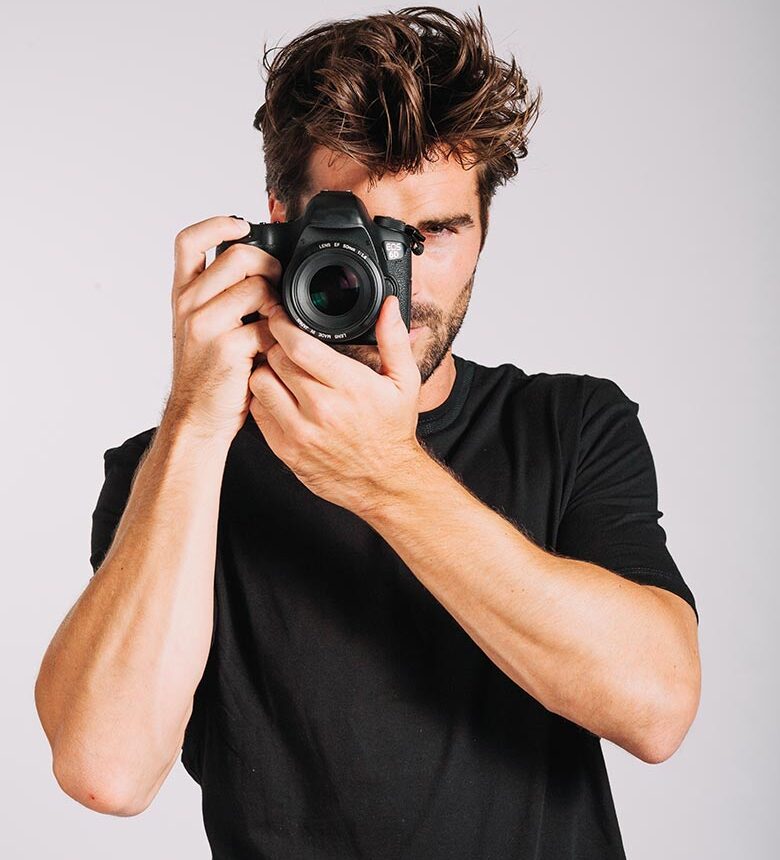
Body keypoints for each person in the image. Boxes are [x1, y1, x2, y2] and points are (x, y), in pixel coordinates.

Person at [34, 7, 700, 859]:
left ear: (484, 232)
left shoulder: (567, 427)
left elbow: (658, 708)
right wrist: (196, 423)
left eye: (435, 233)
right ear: (282, 220)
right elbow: (107, 772)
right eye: (362, 234)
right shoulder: (174, 469)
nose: (399, 281)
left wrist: (386, 477)